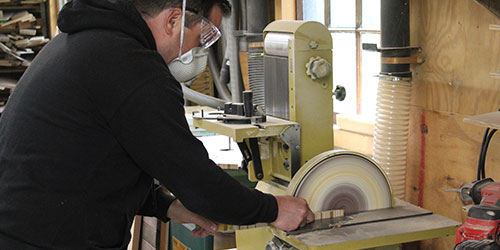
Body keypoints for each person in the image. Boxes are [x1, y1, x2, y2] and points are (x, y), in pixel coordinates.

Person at [0, 0, 315, 249]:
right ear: (174, 20)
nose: (199, 49)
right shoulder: (133, 67)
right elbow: (199, 183)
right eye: (204, 35)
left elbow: (93, 164)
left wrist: (168, 206)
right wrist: (274, 209)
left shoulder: (85, 42)